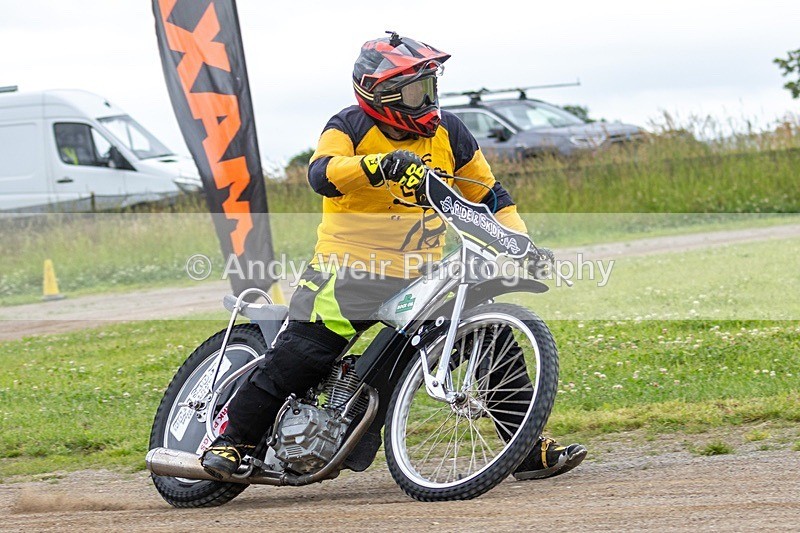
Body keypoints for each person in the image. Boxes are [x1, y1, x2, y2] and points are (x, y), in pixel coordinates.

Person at [201, 32, 587, 481]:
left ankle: (522, 449)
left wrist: (521, 244)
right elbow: (321, 173)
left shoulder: (451, 133)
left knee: (489, 338)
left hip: (422, 275)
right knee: (302, 356)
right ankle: (232, 441)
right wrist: (378, 166)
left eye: (431, 87)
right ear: (382, 94)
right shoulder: (348, 126)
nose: (428, 99)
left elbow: (492, 196)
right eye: (416, 90)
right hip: (345, 271)